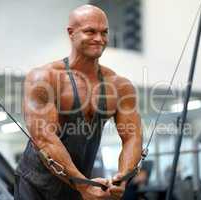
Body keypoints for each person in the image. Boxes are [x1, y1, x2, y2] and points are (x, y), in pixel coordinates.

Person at [15, 4, 143, 200]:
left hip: (79, 183)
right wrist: (83, 186)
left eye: (104, 32)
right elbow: (44, 139)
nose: (99, 39)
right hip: (36, 185)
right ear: (71, 33)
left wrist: (122, 178)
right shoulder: (45, 78)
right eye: (90, 31)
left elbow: (132, 137)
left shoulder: (119, 86)